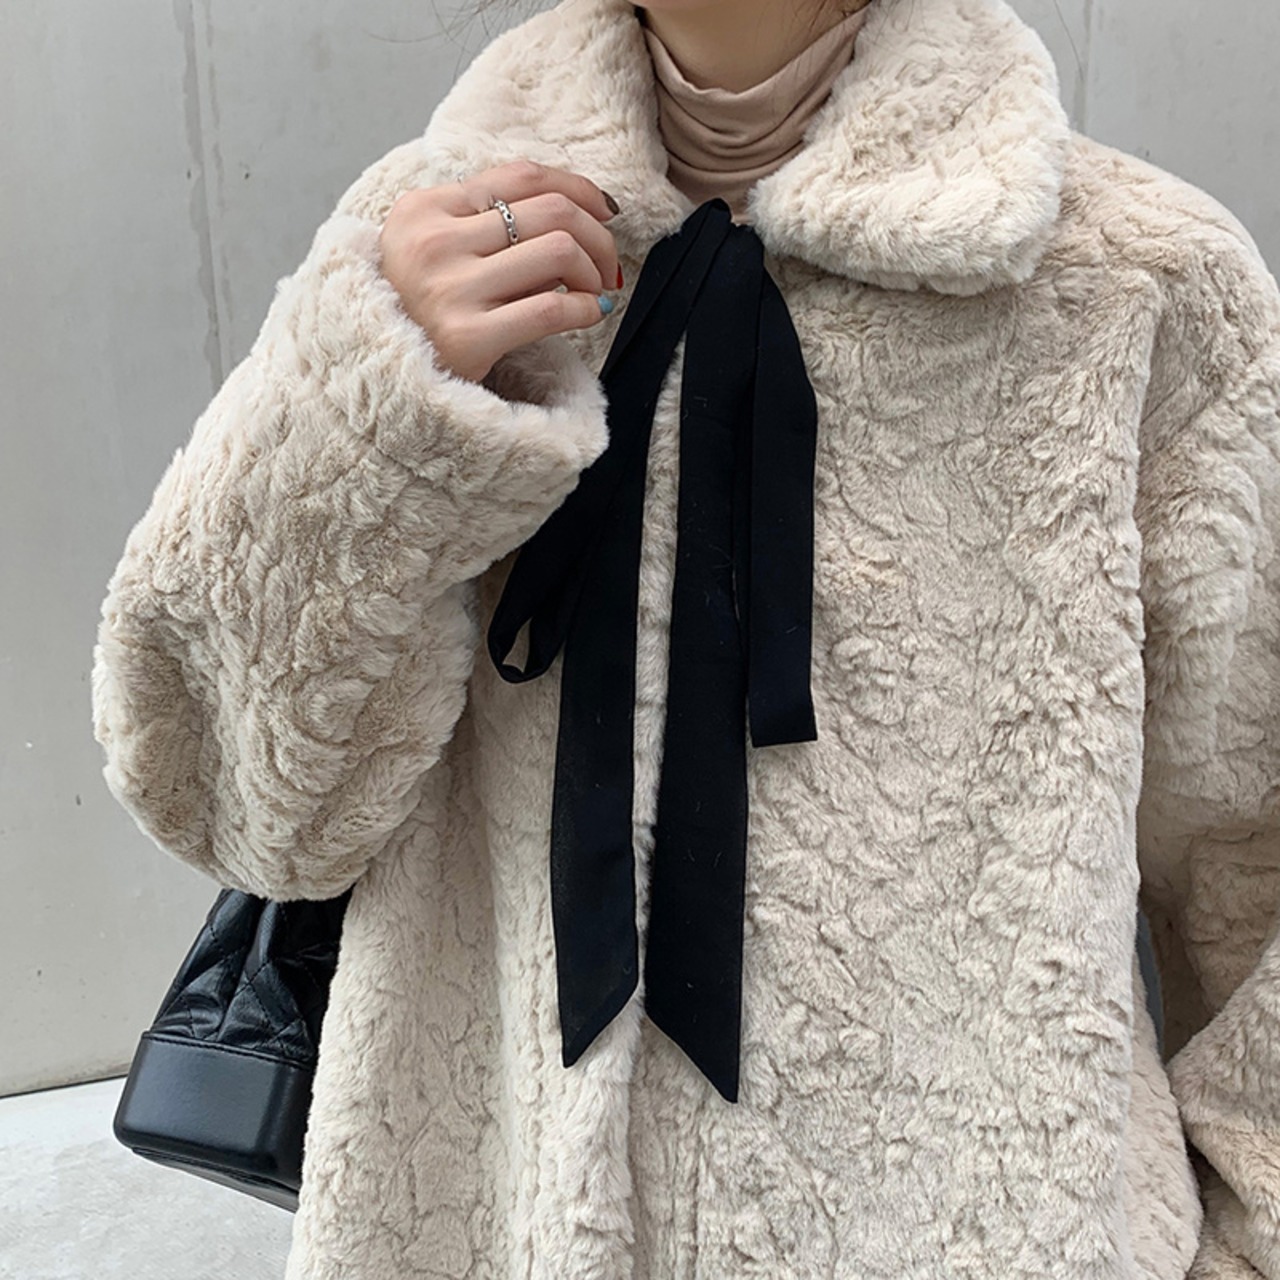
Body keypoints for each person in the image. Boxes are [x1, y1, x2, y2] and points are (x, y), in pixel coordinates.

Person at [89, 0, 1280, 1274]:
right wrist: (375, 407)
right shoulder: (423, 242)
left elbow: (1251, 861)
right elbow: (233, 803)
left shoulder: (1135, 282)